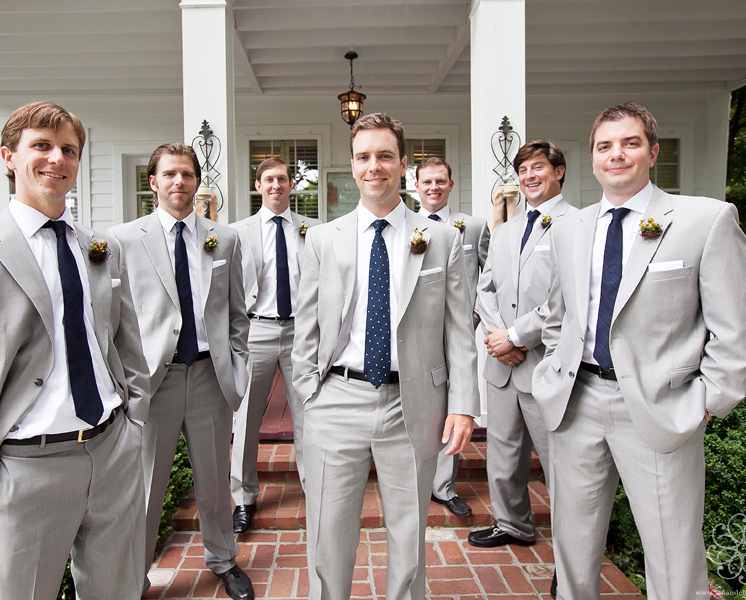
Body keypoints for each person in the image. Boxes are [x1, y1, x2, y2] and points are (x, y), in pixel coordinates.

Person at [0, 101, 151, 599]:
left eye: (69, 150)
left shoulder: (102, 248)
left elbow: (125, 343)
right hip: (25, 469)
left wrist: (135, 424)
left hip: (112, 454)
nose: (57, 159)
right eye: (41, 145)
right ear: (8, 157)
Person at [531, 103, 746, 599]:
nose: (617, 155)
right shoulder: (570, 228)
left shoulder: (706, 220)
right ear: (592, 159)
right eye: (605, 146)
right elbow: (558, 314)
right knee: (573, 551)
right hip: (576, 404)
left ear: (652, 152)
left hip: (661, 408)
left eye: (630, 143)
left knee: (673, 555)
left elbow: (739, 326)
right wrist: (556, 366)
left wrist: (707, 402)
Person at [293, 112, 479, 600]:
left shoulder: (442, 238)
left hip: (412, 404)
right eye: (363, 157)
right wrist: (309, 395)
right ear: (352, 165)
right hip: (336, 397)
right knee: (328, 534)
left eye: (384, 156)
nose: (373, 166)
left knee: (409, 532)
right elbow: (306, 328)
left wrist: (462, 404)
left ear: (403, 166)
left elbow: (459, 330)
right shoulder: (322, 239)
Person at [108, 143, 254, 600]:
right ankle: (135, 574)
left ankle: (223, 560)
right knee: (146, 487)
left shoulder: (223, 238)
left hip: (211, 376)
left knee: (213, 481)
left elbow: (236, 313)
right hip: (155, 380)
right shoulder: (123, 239)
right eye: (169, 174)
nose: (179, 182)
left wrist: (238, 367)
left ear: (196, 181)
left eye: (187, 175)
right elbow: (114, 317)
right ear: (153, 182)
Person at [470, 140, 577, 553]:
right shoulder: (507, 230)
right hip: (502, 365)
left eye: (538, 168)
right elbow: (486, 287)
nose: (530, 177)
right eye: (524, 171)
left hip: (546, 365)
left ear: (559, 172)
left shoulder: (576, 224)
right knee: (503, 453)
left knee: (559, 463)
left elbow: (566, 297)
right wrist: (499, 339)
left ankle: (573, 554)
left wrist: (516, 337)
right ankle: (512, 524)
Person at [229, 158, 320, 533]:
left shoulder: (313, 230)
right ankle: (244, 498)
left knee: (309, 413)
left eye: (282, 179)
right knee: (247, 416)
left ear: (291, 186)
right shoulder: (237, 232)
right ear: (258, 185)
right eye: (269, 179)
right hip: (257, 330)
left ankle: (316, 491)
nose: (276, 185)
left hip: (302, 331)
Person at [414, 156, 489, 518]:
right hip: (418, 334)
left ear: (450, 184)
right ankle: (414, 481)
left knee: (452, 405)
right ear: (416, 186)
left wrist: (477, 312)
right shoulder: (405, 225)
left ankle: (443, 486)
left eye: (440, 181)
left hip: (459, 331)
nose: (433, 187)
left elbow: (491, 276)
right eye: (427, 182)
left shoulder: (472, 227)